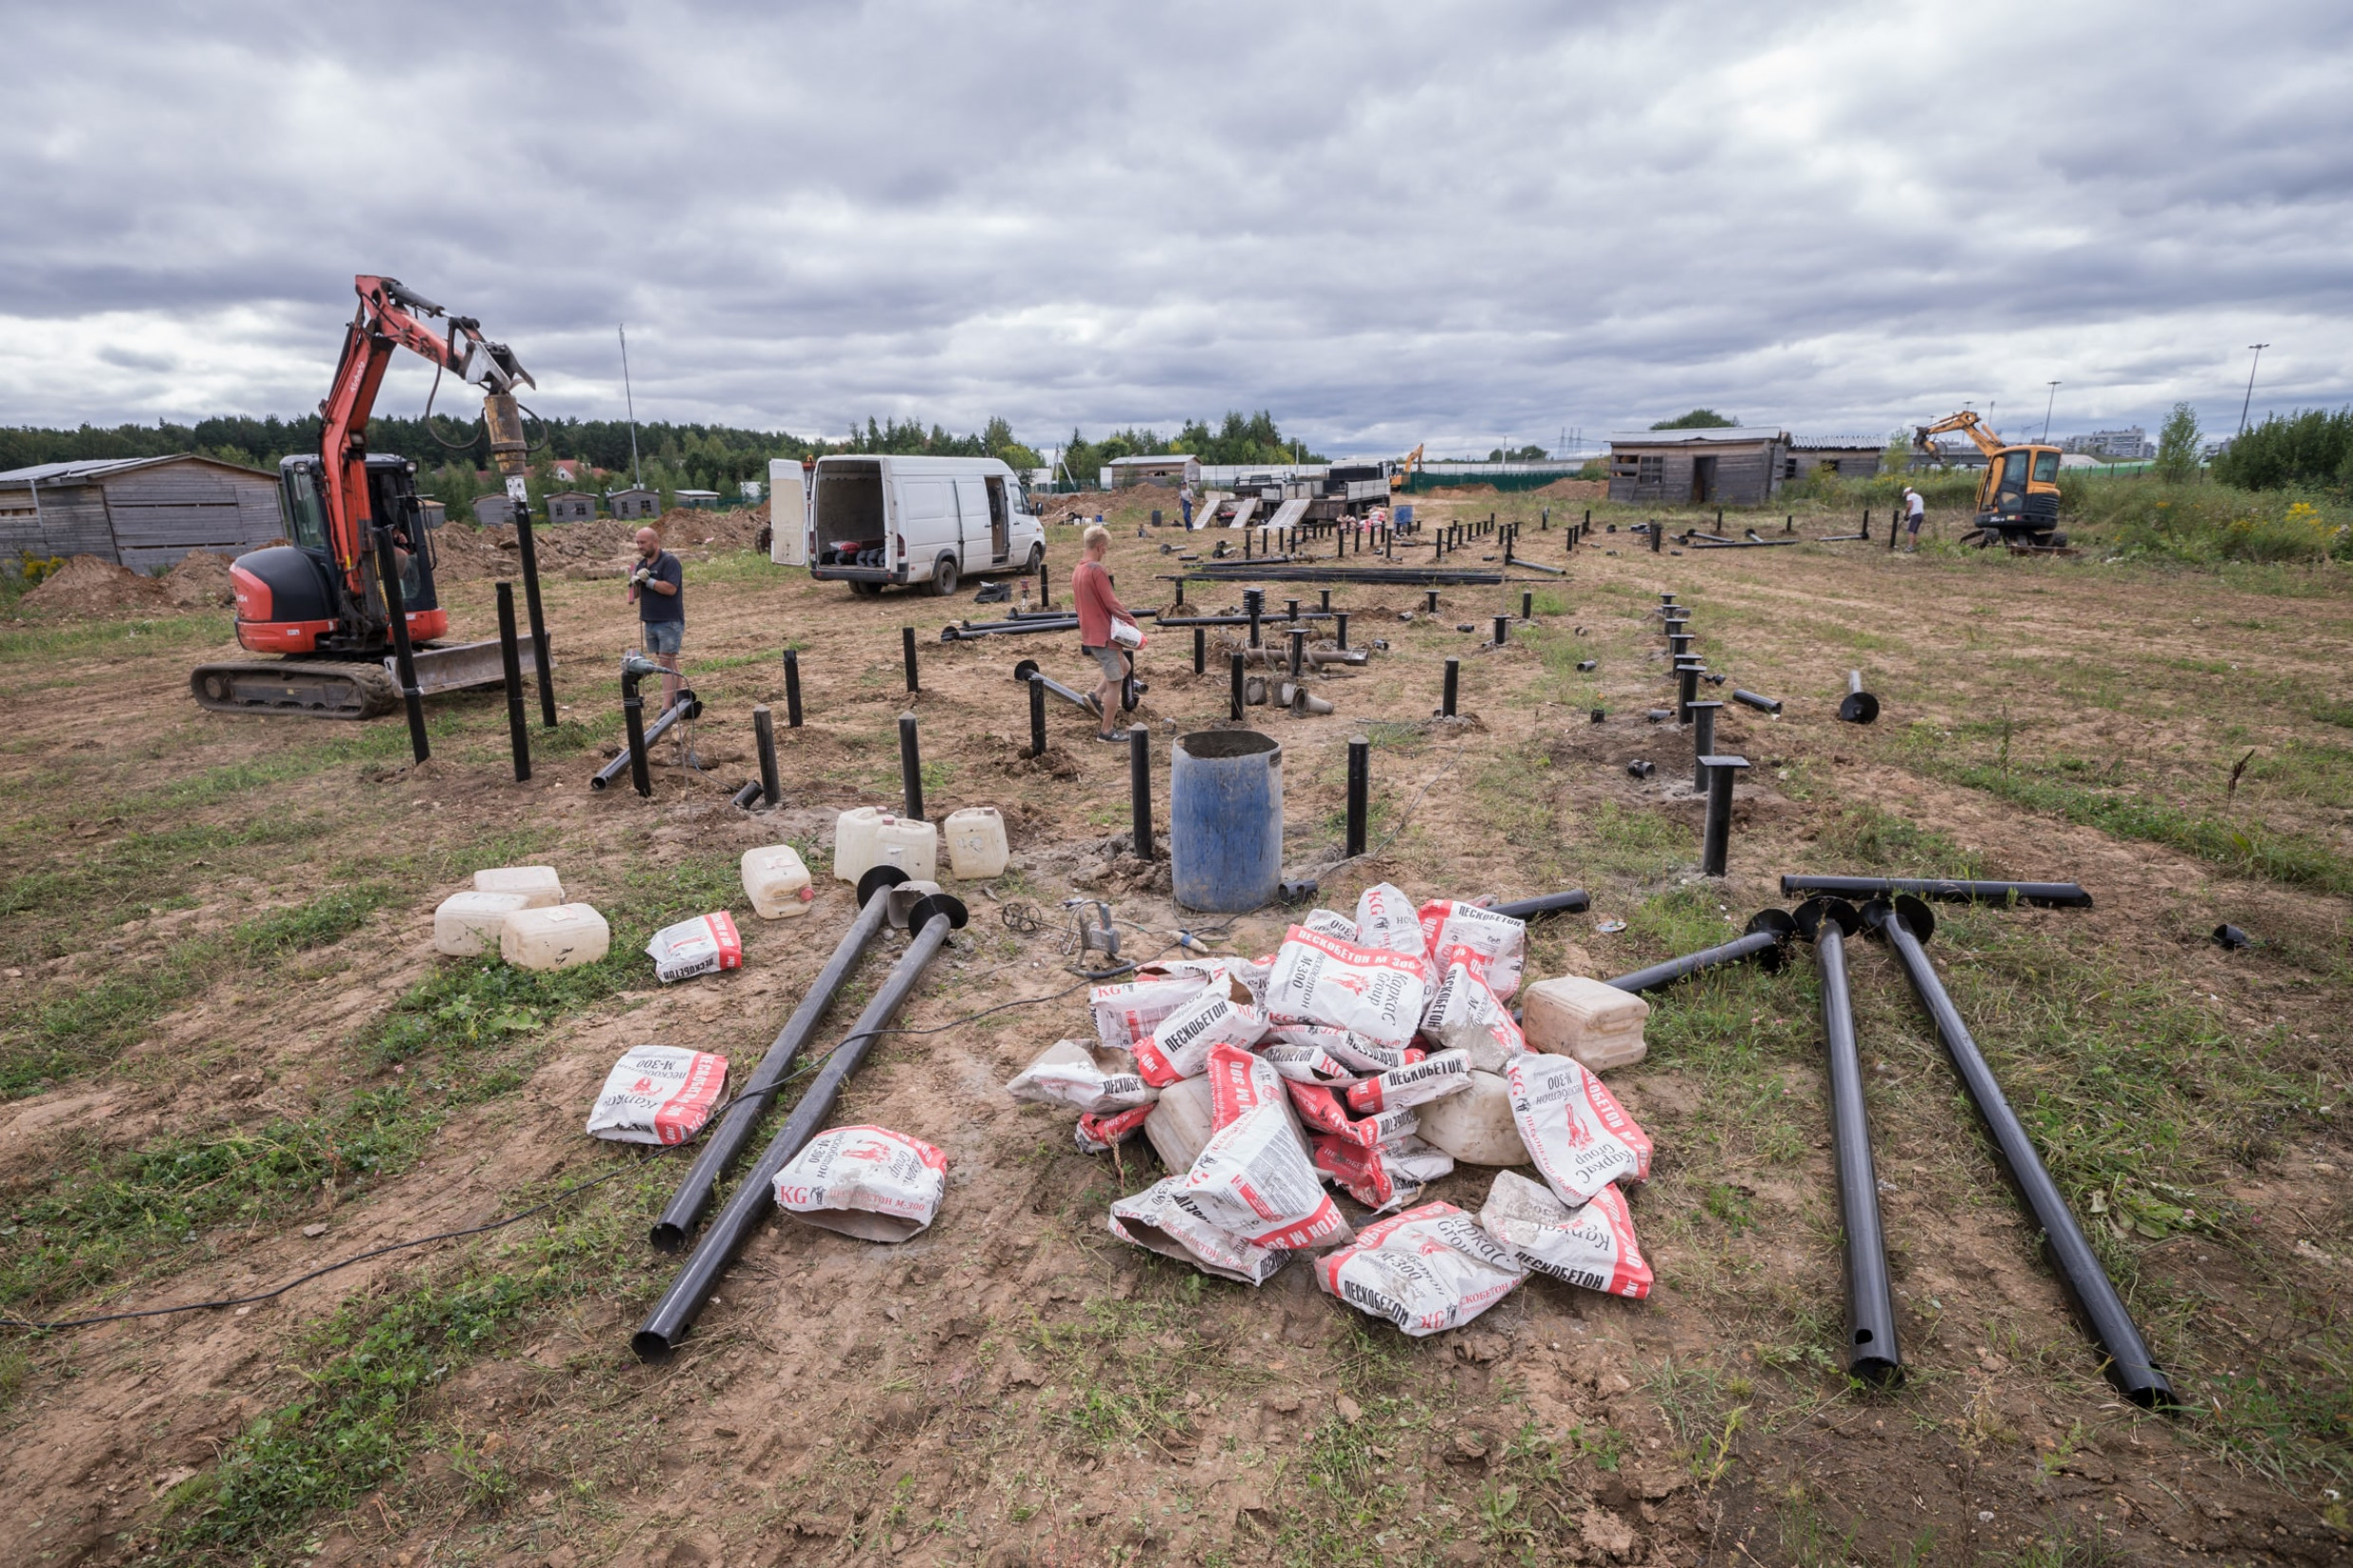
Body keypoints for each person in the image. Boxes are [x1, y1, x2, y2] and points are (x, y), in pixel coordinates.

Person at [1071, 524, 1139, 742]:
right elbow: (1111, 602)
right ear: (1099, 547)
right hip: (1104, 635)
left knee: (1124, 667)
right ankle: (1106, 731)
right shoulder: (1096, 570)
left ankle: (1095, 695)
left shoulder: (1078, 570)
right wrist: (1131, 622)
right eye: (1106, 548)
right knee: (1116, 680)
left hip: (1090, 633)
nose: (1106, 552)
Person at [627, 526, 684, 709]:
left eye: (643, 542)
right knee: (668, 662)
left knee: (665, 662)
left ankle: (667, 707)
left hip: (668, 620)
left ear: (655, 542)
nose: (640, 546)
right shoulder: (641, 565)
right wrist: (634, 583)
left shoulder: (669, 562)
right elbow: (634, 597)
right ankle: (679, 698)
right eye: (637, 542)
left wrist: (648, 581)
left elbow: (671, 589)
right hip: (650, 620)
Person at [1903, 485, 1926, 551]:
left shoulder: (1910, 496)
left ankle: (1910, 547)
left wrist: (1906, 514)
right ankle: (1914, 545)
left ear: (1907, 492)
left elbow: (1909, 506)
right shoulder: (1919, 496)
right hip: (1921, 514)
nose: (1906, 496)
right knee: (1914, 531)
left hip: (1915, 515)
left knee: (1910, 531)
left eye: (1905, 494)